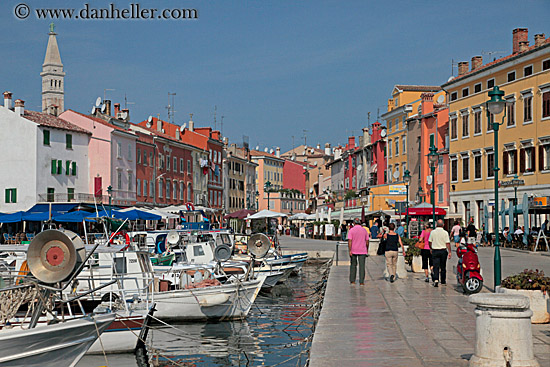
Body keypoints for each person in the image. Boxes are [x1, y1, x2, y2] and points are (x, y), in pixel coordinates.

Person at [428, 219, 452, 287]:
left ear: (436, 225)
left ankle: (436, 279)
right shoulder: (445, 233)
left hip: (435, 250)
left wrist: (431, 248)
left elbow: (430, 241)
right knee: (443, 266)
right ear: (443, 225)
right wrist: (449, 251)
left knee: (436, 266)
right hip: (443, 251)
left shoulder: (433, 232)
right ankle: (443, 280)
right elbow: (447, 243)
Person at [347, 218, 369, 285]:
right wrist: (366, 248)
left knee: (353, 265)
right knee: (362, 266)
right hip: (362, 250)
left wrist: (350, 250)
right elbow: (367, 241)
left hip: (354, 250)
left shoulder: (351, 230)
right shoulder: (364, 230)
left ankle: (352, 280)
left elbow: (350, 241)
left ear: (354, 223)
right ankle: (361, 281)